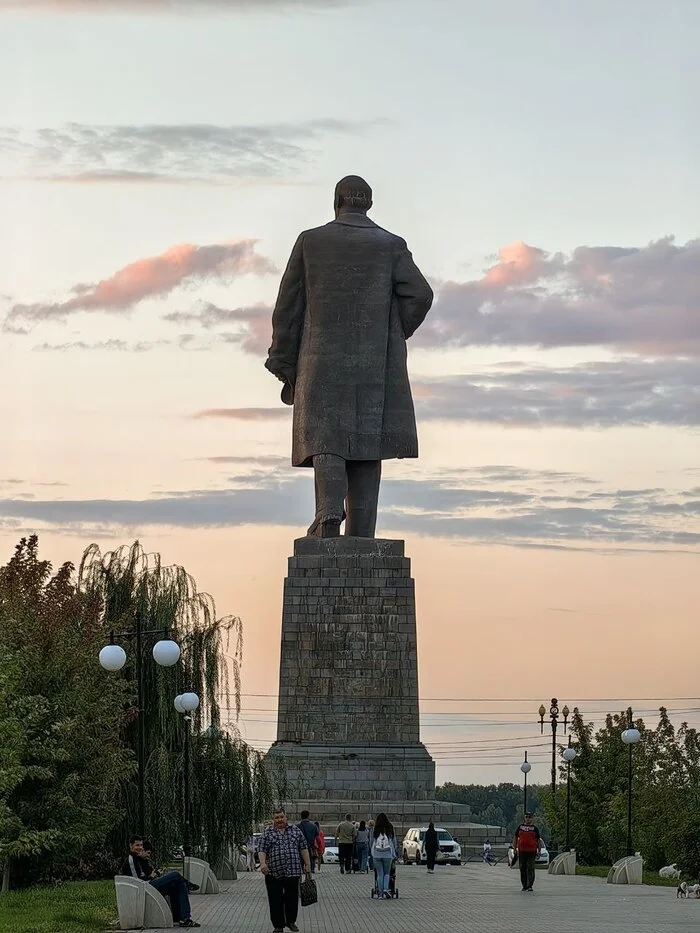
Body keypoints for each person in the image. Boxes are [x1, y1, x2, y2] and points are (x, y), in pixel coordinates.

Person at [265, 175, 434, 539]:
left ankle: (327, 512)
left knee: (327, 435)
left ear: (336, 201)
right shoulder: (391, 245)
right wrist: (391, 333)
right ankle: (362, 534)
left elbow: (288, 306)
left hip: (319, 360)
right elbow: (420, 294)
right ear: (368, 204)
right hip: (376, 365)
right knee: (367, 444)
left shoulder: (311, 242)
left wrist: (282, 356)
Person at [121, 835, 200, 928]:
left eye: (141, 845)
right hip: (144, 888)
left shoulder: (141, 859)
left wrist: (152, 873)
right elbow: (136, 882)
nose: (140, 848)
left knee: (178, 885)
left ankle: (183, 918)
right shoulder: (131, 860)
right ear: (131, 846)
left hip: (150, 885)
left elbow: (148, 873)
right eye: (137, 845)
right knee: (175, 875)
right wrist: (150, 876)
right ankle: (188, 884)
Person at [258, 807, 312, 933]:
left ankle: (291, 922)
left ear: (285, 817)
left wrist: (307, 864)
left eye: (281, 817)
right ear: (273, 819)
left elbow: (303, 848)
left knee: (292, 898)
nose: (279, 820)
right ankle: (278, 925)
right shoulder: (268, 832)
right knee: (275, 899)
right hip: (273, 872)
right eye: (277, 817)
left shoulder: (295, 830)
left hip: (293, 871)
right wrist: (262, 864)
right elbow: (262, 849)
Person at [512, 812, 542, 892]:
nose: (528, 818)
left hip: (532, 851)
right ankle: (524, 885)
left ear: (532, 819)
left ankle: (530, 885)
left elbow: (538, 840)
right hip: (522, 851)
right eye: (526, 817)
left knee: (531, 868)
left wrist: (539, 850)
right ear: (524, 818)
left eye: (529, 817)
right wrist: (515, 848)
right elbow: (515, 837)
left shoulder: (535, 829)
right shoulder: (520, 827)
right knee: (522, 868)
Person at [371, 812, 398, 898]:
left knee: (379, 874)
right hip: (387, 854)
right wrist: (395, 852)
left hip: (377, 854)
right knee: (387, 873)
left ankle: (380, 893)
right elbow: (394, 842)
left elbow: (371, 842)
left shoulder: (375, 829)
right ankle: (386, 889)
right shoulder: (390, 828)